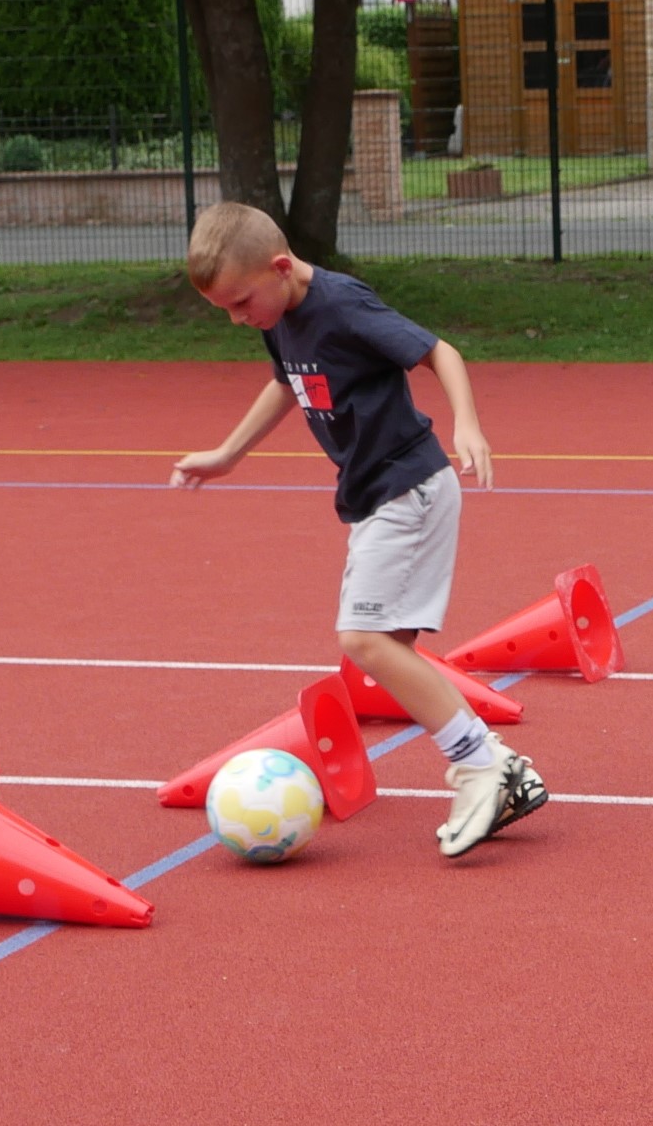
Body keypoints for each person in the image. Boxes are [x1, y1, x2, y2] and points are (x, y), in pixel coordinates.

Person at [168, 201, 545, 857]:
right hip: (376, 496)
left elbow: (438, 351)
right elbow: (286, 382)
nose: (237, 318)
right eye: (225, 309)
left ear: (280, 268)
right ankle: (490, 765)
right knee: (385, 651)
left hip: (410, 487)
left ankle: (485, 767)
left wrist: (468, 424)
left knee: (363, 638)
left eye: (240, 302)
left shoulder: (340, 303)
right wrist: (229, 452)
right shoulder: (279, 312)